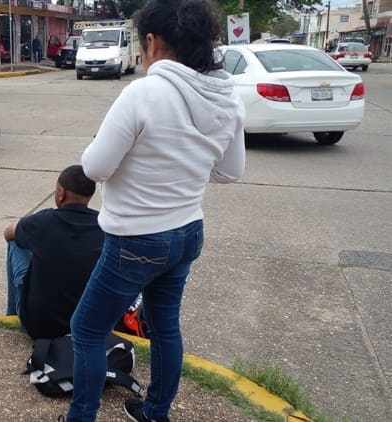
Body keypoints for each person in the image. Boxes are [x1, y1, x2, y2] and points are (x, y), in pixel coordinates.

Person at [65, 1, 245, 421]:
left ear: (152, 41)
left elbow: (94, 168)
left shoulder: (143, 92)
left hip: (137, 238)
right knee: (165, 327)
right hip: (188, 232)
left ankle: (82, 416)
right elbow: (230, 171)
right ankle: (155, 411)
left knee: (87, 329)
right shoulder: (225, 95)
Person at [3, 165, 103, 339]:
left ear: (61, 193)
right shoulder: (103, 225)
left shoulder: (43, 221)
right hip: (86, 325)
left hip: (39, 327)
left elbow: (8, 232)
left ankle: (12, 314)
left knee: (16, 244)